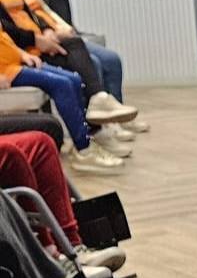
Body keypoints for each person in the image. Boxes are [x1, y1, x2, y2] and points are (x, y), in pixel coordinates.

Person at [0, 0, 143, 131]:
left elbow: (36, 12)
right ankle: (95, 129)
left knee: (108, 58)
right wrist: (37, 39)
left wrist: (49, 29)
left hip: (47, 34)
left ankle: (108, 113)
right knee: (93, 63)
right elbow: (8, 26)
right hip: (26, 46)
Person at [0, 31, 122, 173]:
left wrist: (22, 54)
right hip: (7, 71)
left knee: (74, 79)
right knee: (62, 84)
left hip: (16, 62)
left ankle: (85, 137)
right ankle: (84, 149)